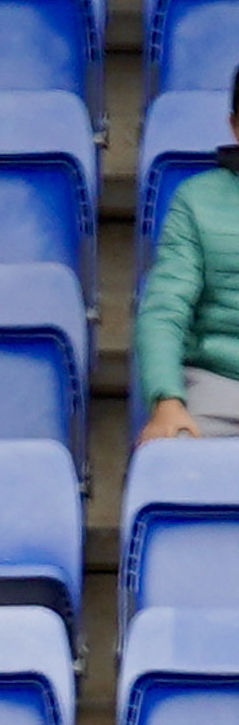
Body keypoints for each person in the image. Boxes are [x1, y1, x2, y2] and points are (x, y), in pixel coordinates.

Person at [137, 65, 239, 443]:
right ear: (235, 126)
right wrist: (166, 398)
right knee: (172, 452)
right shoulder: (195, 200)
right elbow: (164, 310)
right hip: (218, 387)